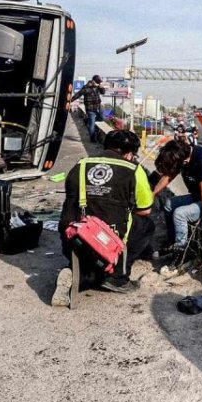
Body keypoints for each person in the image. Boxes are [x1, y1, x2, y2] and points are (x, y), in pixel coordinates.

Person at [53, 130, 155, 304]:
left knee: (83, 226)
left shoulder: (81, 164)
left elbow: (71, 202)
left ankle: (77, 271)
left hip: (74, 238)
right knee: (146, 225)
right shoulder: (133, 170)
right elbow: (145, 209)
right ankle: (117, 277)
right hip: (107, 241)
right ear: (129, 153)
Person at [153, 139, 202, 252]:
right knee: (169, 204)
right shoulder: (183, 155)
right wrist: (153, 193)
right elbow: (169, 176)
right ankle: (172, 241)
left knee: (180, 214)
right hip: (198, 197)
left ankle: (180, 249)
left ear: (183, 161)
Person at [71, 75, 106, 142]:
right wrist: (70, 100)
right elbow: (78, 94)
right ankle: (92, 139)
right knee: (92, 124)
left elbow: (103, 92)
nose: (98, 84)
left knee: (102, 118)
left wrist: (101, 87)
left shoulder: (98, 87)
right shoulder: (86, 88)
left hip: (99, 107)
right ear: (93, 81)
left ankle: (88, 120)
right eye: (97, 82)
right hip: (90, 108)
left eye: (99, 83)